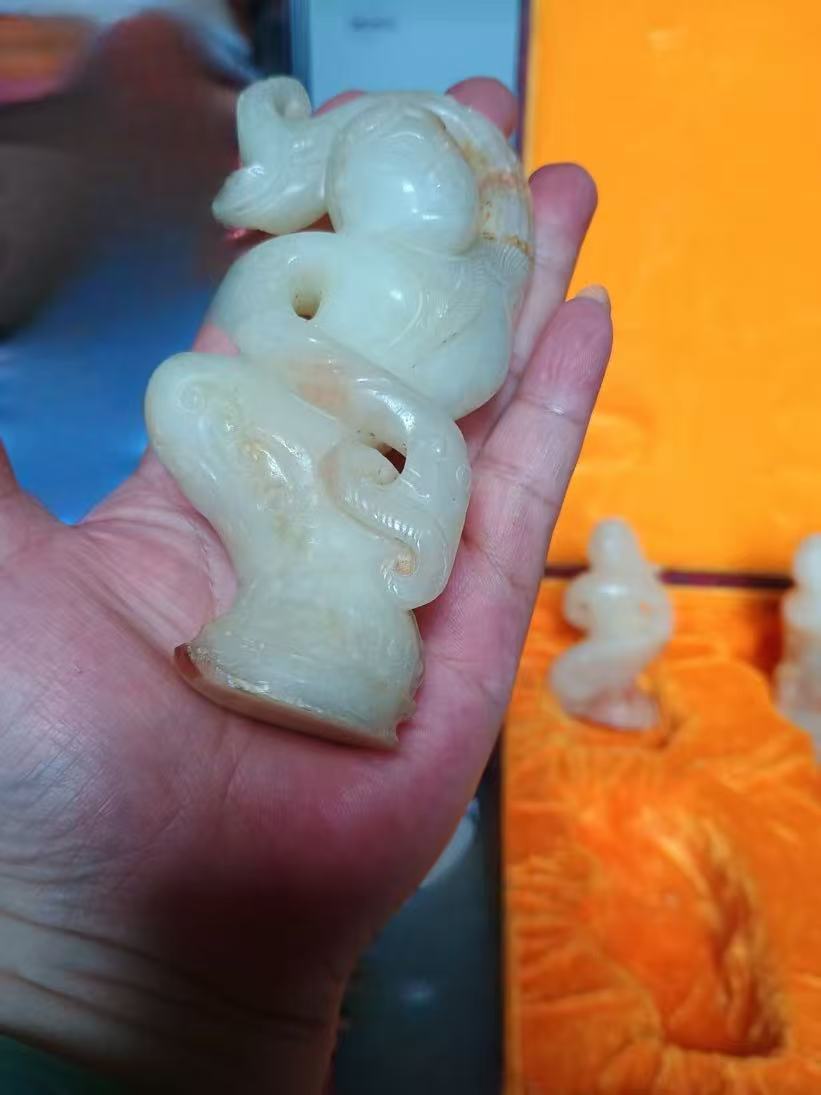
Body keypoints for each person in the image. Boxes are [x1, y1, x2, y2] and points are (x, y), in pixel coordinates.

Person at [0, 75, 611, 1093]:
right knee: (190, 392)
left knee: (258, 437)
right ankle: (317, 611)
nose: (412, 187)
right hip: (322, 441)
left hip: (377, 454)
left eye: (423, 170)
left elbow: (426, 404)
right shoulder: (326, 268)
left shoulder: (454, 298)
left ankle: (339, 625)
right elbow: (269, 324)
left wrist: (395, 435)